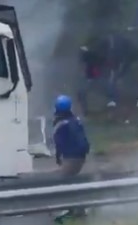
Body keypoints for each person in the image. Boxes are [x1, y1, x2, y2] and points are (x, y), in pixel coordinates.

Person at [52, 95, 90, 223]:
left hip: (71, 157)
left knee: (64, 182)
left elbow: (59, 143)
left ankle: (75, 210)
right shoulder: (76, 120)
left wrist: (58, 157)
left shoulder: (60, 123)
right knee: (71, 181)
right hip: (81, 156)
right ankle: (77, 209)